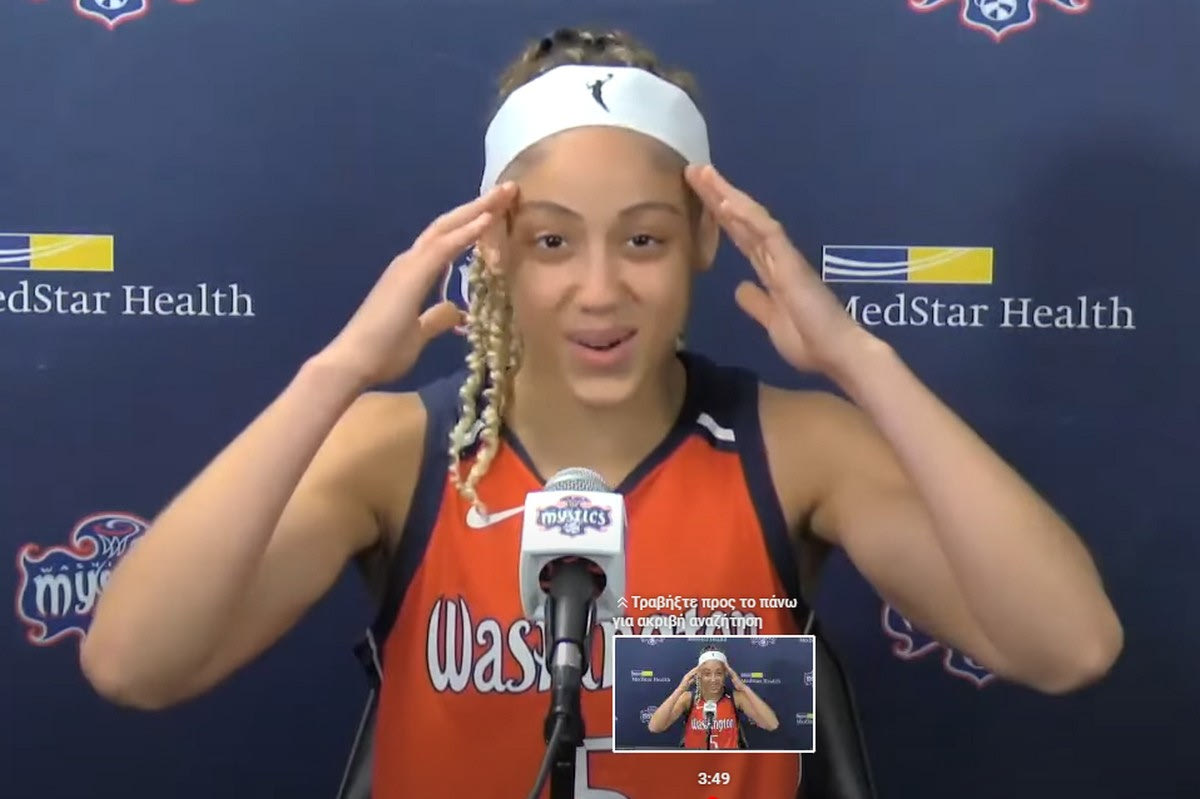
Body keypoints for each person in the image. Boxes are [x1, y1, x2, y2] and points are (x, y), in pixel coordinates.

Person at [80, 25, 1124, 799]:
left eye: (643, 239)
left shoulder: (796, 449)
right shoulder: (400, 451)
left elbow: (1067, 645)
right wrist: (337, 373)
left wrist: (859, 359)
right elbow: (134, 666)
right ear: (491, 247)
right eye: (551, 242)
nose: (598, 291)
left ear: (705, 240)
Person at [647, 645, 780, 749]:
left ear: (726, 674)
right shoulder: (688, 699)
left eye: (719, 673)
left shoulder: (736, 698)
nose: (713, 679)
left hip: (729, 764)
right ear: (699, 675)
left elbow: (772, 724)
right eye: (707, 674)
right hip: (694, 763)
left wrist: (744, 688)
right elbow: (655, 727)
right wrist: (680, 689)